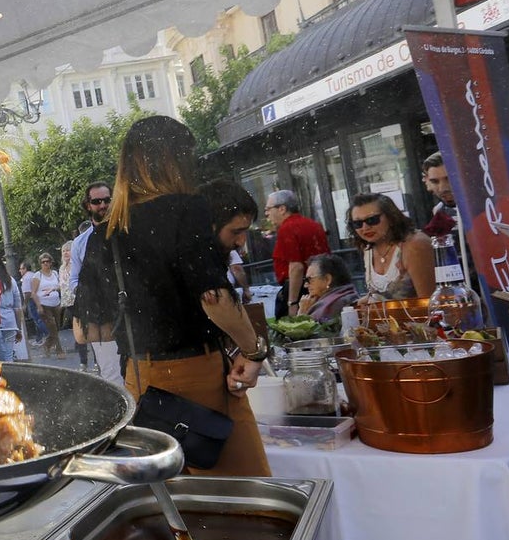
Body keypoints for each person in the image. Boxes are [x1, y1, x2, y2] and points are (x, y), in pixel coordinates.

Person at [102, 116, 270, 477]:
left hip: (139, 376)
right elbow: (215, 299)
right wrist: (253, 350)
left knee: (175, 497)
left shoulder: (111, 228)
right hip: (194, 373)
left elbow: (92, 327)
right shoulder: (186, 208)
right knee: (245, 490)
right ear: (175, 159)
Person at [69, 181, 122, 380]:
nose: (102, 205)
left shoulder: (126, 231)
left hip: (132, 314)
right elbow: (74, 280)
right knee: (112, 373)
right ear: (88, 205)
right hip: (102, 317)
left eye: (107, 200)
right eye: (97, 201)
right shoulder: (80, 243)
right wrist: (91, 293)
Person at [348, 193, 434, 302]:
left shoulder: (415, 245)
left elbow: (430, 302)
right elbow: (379, 296)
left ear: (391, 217)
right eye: (357, 223)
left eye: (372, 220)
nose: (365, 227)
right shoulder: (368, 248)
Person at [264, 189, 329, 318]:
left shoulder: (287, 228)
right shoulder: (314, 225)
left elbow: (296, 267)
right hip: (321, 285)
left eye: (268, 209)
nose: (267, 214)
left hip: (300, 290)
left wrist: (292, 303)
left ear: (282, 209)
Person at [59, 239, 91, 370]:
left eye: (68, 250)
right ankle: (83, 362)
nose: (66, 252)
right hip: (68, 304)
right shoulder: (61, 268)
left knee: (86, 331)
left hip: (80, 302)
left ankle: (90, 362)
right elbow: (63, 285)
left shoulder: (76, 265)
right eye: (64, 251)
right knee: (78, 332)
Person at [299, 254, 359, 322]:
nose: (305, 285)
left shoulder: (333, 305)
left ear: (327, 279)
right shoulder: (348, 295)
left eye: (309, 279)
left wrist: (302, 313)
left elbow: (302, 332)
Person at [31, 251, 65, 358]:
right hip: (44, 304)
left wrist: (54, 289)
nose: (45, 263)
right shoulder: (38, 275)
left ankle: (47, 344)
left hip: (56, 303)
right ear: (40, 263)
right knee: (52, 326)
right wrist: (39, 306)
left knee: (57, 327)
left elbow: (61, 285)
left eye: (47, 261)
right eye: (43, 262)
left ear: (51, 262)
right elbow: (33, 293)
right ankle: (59, 350)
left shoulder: (55, 273)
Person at [19, 260, 48, 345]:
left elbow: (27, 292)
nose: (20, 271)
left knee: (37, 319)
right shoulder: (34, 275)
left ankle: (49, 335)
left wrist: (24, 304)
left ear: (25, 269)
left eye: (21, 269)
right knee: (40, 318)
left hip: (32, 300)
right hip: (39, 298)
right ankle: (39, 339)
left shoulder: (26, 277)